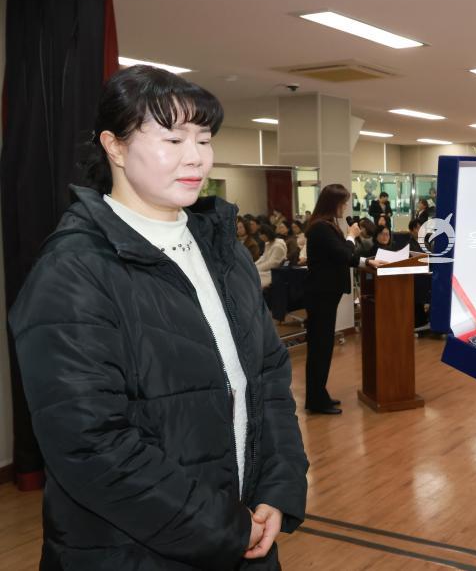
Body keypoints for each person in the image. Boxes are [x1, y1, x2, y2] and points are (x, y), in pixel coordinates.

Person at [8, 65, 307, 569]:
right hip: (130, 549)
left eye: (204, 138)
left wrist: (276, 489)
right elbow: (91, 444)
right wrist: (223, 526)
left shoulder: (221, 246)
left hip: (243, 529)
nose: (195, 157)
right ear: (115, 146)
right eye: (172, 138)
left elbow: (268, 377)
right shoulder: (74, 270)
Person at [305, 184, 385, 415]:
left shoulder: (328, 226)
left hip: (325, 294)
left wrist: (366, 262)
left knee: (323, 346)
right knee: (320, 347)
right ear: (333, 204)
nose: (345, 207)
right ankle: (316, 399)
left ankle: (319, 395)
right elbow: (343, 254)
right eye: (343, 203)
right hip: (320, 295)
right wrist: (351, 237)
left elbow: (344, 256)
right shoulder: (321, 228)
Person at [255, 223, 287, 289]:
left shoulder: (278, 245)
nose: (260, 237)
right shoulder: (268, 243)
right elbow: (263, 258)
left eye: (261, 235)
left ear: (266, 234)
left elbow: (273, 263)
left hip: (274, 272)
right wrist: (253, 266)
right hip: (266, 270)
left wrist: (256, 269)